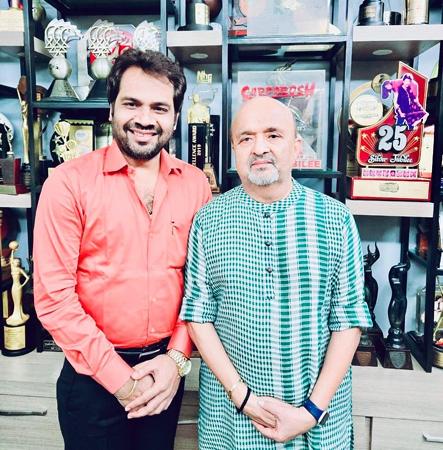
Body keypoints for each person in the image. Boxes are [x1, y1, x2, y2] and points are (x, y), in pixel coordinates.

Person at [33, 49, 212, 450]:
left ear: (175, 118)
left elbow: (200, 285)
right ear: (111, 108)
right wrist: (122, 381)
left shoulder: (195, 186)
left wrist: (176, 360)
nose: (145, 119)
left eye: (159, 108)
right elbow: (54, 300)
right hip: (92, 381)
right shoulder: (68, 184)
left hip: (165, 374)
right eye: (132, 104)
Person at [178, 96, 372, 449]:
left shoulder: (335, 219)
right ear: (234, 150)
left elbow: (348, 320)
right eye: (246, 138)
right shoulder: (208, 220)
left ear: (296, 147)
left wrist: (311, 411)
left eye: (273, 135)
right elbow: (198, 316)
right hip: (232, 418)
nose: (259, 148)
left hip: (317, 420)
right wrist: (242, 397)